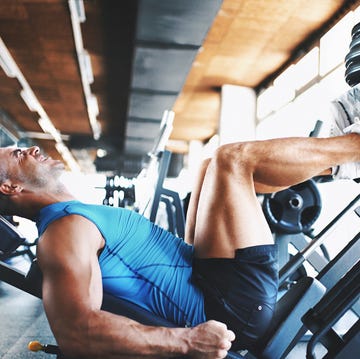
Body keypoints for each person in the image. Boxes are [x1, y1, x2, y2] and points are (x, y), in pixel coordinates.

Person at [0, 85, 359, 359]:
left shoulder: (73, 218)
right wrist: (187, 341)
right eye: (17, 154)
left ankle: (333, 162)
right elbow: (76, 332)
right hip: (229, 309)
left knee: (210, 165)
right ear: (10, 186)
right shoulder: (62, 233)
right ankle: (352, 146)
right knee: (233, 160)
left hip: (208, 279)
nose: (30, 149)